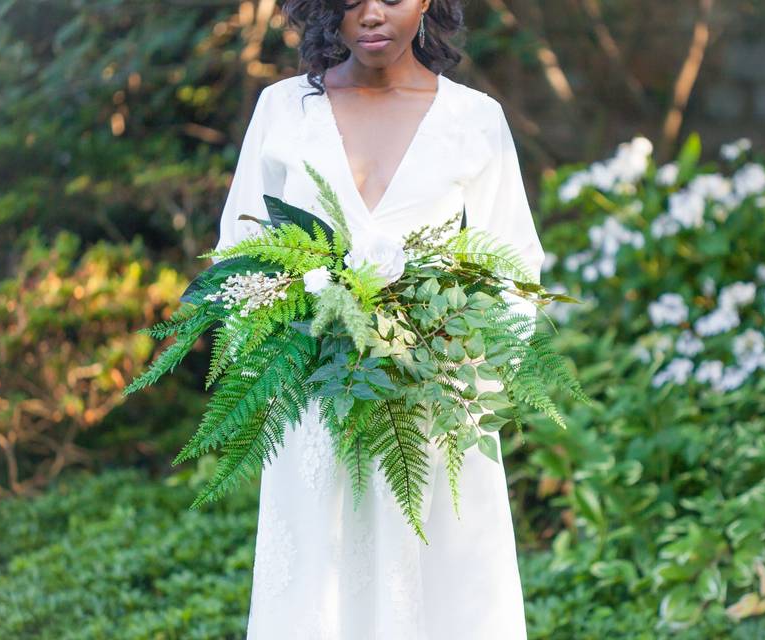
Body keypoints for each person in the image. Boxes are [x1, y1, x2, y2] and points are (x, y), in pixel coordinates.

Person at [213, 0, 545, 637]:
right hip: (316, 408)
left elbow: (515, 272)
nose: (371, 14)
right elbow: (239, 255)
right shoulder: (284, 112)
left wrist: (446, 354)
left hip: (435, 417)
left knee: (442, 595)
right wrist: (291, 329)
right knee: (321, 592)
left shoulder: (475, 120)